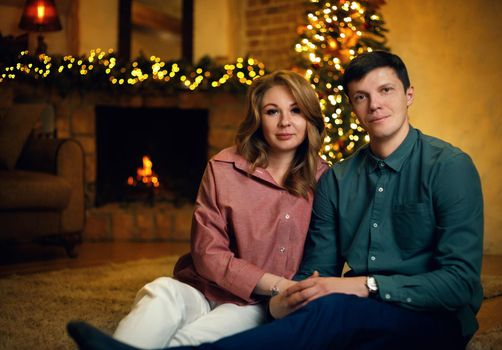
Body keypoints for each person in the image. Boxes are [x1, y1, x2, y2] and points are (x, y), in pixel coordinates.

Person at [68, 51, 483, 350]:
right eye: (361, 96)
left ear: (408, 94)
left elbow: (461, 283)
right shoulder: (339, 178)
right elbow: (316, 266)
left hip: (425, 316)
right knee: (166, 293)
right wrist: (303, 292)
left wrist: (355, 286)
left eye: (386, 90)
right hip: (247, 292)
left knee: (325, 313)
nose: (375, 104)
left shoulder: (447, 167)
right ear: (352, 107)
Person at [84, 70, 328, 349]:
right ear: (258, 119)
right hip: (203, 285)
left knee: (194, 338)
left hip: (256, 304)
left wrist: (280, 291)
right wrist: (278, 283)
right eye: (272, 112)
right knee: (160, 292)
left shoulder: (325, 180)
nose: (285, 122)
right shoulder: (223, 167)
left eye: (295, 110)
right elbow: (206, 251)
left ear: (309, 117)